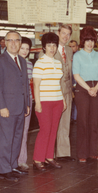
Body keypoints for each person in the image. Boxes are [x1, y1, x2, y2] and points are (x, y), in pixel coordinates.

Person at [0, 31, 30, 182]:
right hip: (6, 108)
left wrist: (26, 104)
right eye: (10, 40)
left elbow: (25, 84)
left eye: (16, 40)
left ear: (20, 43)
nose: (13, 43)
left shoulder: (22, 60)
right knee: (6, 140)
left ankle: (13, 166)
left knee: (17, 138)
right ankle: (4, 170)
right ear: (5, 43)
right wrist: (2, 106)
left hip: (20, 107)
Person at [38, 24, 74, 162]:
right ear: (58, 33)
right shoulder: (47, 51)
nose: (65, 36)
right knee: (52, 124)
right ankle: (49, 155)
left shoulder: (69, 51)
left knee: (65, 122)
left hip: (67, 91)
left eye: (68, 34)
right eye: (63, 33)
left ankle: (63, 153)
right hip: (53, 92)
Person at [32, 32, 66, 171]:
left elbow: (58, 83)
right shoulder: (40, 63)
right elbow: (36, 85)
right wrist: (38, 103)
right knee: (45, 130)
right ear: (44, 47)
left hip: (57, 101)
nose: (52, 48)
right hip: (44, 102)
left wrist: (63, 100)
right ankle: (37, 159)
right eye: (49, 45)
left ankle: (49, 157)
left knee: (53, 130)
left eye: (54, 45)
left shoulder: (58, 63)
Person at [73, 26, 98, 162]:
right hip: (82, 89)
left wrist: (96, 87)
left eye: (92, 40)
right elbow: (76, 75)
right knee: (82, 122)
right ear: (83, 41)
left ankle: (93, 152)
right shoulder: (77, 55)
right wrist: (89, 89)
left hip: (96, 88)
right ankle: (81, 153)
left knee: (93, 122)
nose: (90, 43)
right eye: (87, 40)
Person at [17, 37, 34, 170]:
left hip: (27, 101)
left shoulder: (29, 65)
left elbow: (29, 85)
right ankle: (12, 160)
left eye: (27, 49)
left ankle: (22, 160)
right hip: (14, 102)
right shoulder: (12, 63)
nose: (25, 51)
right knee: (14, 131)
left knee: (24, 131)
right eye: (22, 48)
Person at [69, 40, 79, 123]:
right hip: (69, 82)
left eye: (73, 46)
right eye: (70, 46)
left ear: (77, 47)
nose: (71, 48)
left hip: (78, 82)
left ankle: (75, 118)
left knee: (76, 101)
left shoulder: (79, 56)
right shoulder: (68, 57)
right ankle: (72, 118)